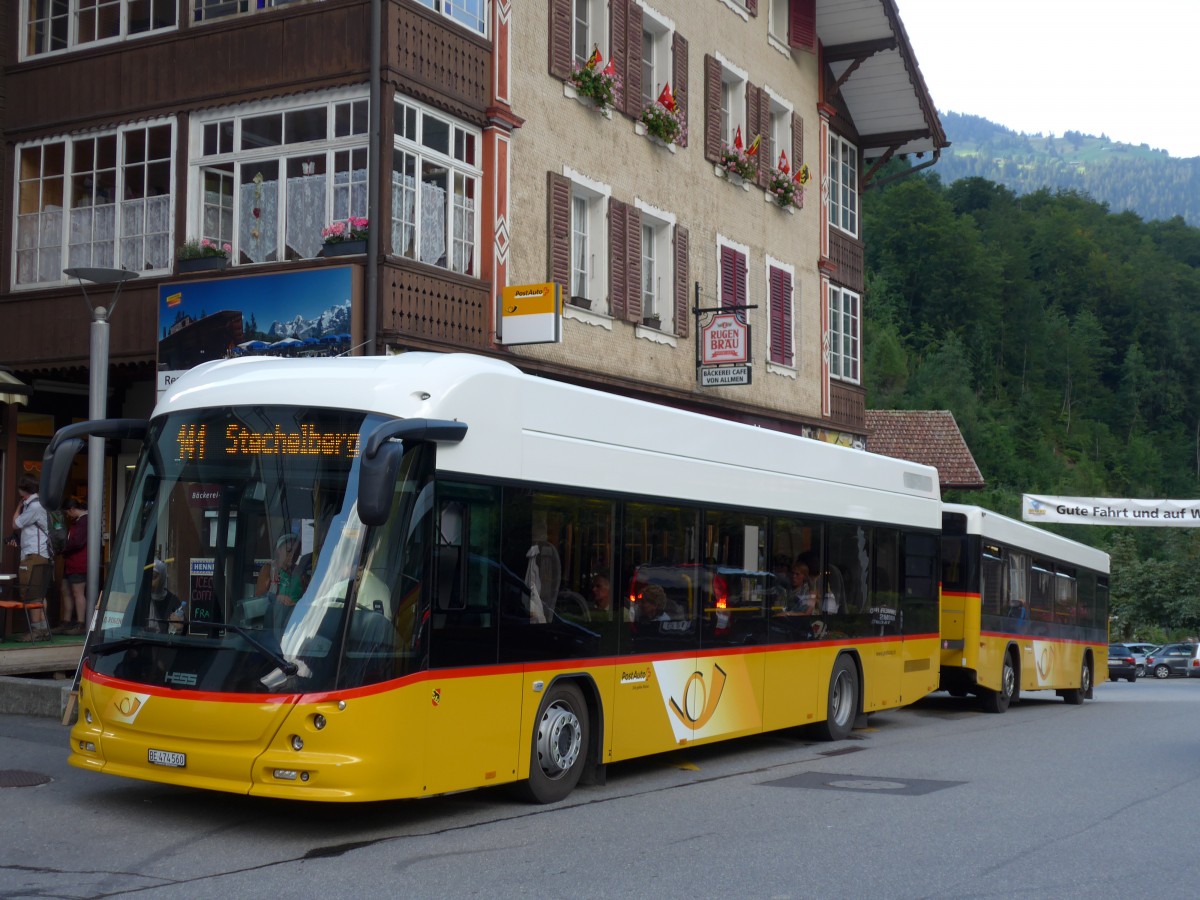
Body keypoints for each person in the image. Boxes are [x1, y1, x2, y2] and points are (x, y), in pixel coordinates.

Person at [9, 475, 51, 641]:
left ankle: (36, 631)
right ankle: (43, 629)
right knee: (39, 594)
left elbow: (15, 524)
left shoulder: (33, 507)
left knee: (31, 593)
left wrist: (18, 508)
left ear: (23, 490)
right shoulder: (40, 504)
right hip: (41, 554)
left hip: (33, 555)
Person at [53, 498, 87, 635]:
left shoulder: (84, 521)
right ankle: (66, 622)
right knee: (65, 590)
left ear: (72, 509)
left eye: (68, 513)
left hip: (79, 562)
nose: (67, 516)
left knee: (78, 592)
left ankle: (80, 623)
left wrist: (63, 547)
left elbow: (77, 542)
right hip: (71, 561)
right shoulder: (78, 521)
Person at [256, 532, 302, 629]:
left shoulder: (301, 573)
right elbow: (259, 599)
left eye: (297, 551)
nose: (293, 554)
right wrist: (277, 598)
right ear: (278, 550)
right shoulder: (268, 569)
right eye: (289, 550)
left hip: (296, 622)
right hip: (272, 623)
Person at [147, 559, 186, 634]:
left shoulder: (173, 602)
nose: (150, 582)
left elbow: (181, 633)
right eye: (147, 577)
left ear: (163, 577)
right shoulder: (139, 600)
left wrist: (179, 628)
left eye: (154, 577)